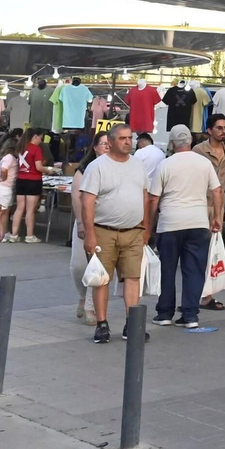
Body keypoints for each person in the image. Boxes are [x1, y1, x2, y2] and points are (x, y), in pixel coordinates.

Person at [78, 124, 151, 344]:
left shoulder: (138, 165)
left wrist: (145, 227)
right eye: (122, 138)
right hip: (104, 231)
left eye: (130, 138)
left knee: (132, 278)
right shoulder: (97, 166)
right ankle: (102, 324)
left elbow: (145, 196)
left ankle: (132, 323)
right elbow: (87, 202)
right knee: (102, 279)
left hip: (133, 232)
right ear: (110, 142)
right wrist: (90, 234)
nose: (128, 142)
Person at [146, 125, 221, 328]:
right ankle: (190, 315)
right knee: (194, 270)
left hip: (169, 223)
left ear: (171, 143)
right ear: (190, 141)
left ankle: (164, 314)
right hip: (198, 223)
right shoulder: (204, 163)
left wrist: (148, 226)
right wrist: (217, 218)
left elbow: (153, 199)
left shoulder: (165, 165)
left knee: (167, 270)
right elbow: (217, 190)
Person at [192, 114, 225, 312]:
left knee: (213, 252)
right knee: (200, 251)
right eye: (219, 128)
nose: (223, 131)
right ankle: (199, 294)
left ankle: (207, 295)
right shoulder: (198, 151)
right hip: (202, 204)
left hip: (219, 204)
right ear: (209, 130)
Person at [70, 132, 110, 323]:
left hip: (106, 224)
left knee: (99, 266)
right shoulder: (84, 170)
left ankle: (90, 307)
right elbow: (77, 197)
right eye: (103, 144)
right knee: (79, 266)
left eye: (109, 144)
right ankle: (81, 295)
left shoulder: (117, 167)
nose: (106, 147)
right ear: (95, 147)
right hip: (85, 222)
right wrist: (80, 222)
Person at [13, 128, 48, 243]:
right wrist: (49, 170)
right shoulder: (36, 149)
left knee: (19, 208)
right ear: (35, 136)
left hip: (20, 179)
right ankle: (29, 235)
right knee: (30, 209)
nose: (40, 140)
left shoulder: (21, 148)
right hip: (33, 180)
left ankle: (14, 235)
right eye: (40, 137)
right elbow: (38, 167)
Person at [0, 134, 21, 240]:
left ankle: (3, 231)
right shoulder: (9, 158)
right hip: (3, 188)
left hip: (6, 188)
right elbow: (4, 170)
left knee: (5, 212)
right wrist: (4, 178)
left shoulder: (9, 157)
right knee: (0, 212)